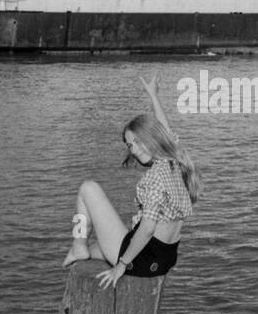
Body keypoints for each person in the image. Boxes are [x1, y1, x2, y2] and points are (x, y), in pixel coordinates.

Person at [63, 75, 200, 289]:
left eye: (138, 141)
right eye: (130, 145)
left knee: (87, 189)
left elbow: (146, 229)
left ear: (153, 137)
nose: (134, 149)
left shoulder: (155, 178)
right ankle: (84, 250)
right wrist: (153, 96)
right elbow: (165, 129)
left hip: (142, 257)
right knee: (97, 249)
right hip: (164, 257)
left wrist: (121, 266)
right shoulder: (176, 161)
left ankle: (77, 244)